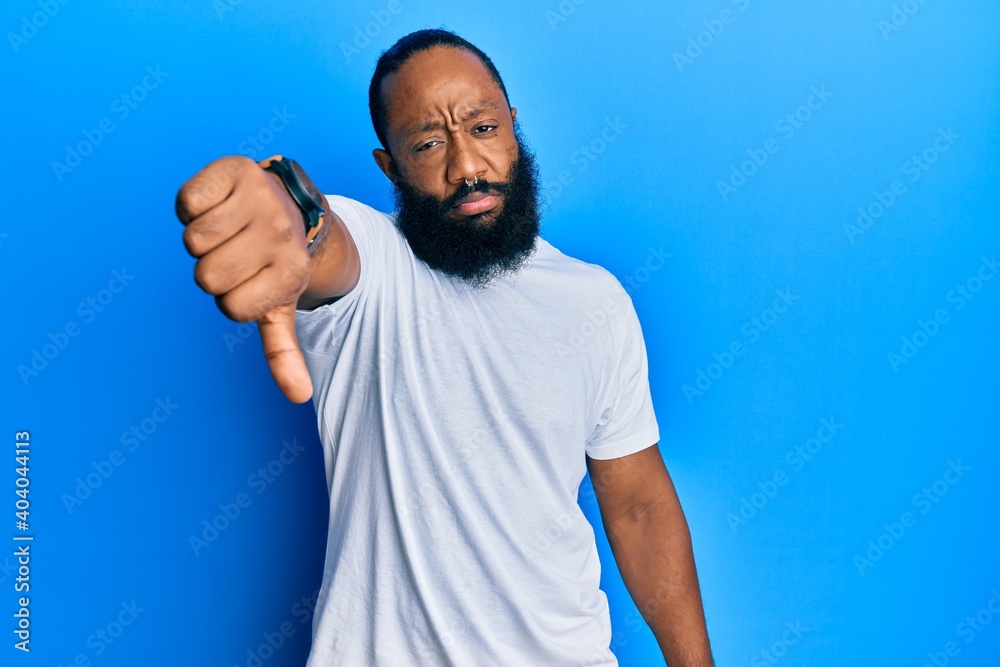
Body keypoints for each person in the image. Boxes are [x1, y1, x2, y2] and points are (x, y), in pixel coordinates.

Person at [175, 28, 713, 667]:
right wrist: (285, 205)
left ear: (513, 128)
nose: (467, 167)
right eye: (429, 144)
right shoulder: (379, 265)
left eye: (483, 129)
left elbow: (638, 505)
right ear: (390, 167)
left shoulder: (595, 302)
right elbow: (322, 238)